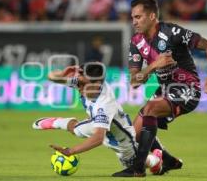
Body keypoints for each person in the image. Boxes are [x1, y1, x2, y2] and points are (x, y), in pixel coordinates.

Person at [112, 0, 207, 177]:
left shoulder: (173, 32)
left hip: (187, 87)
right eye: (133, 18)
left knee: (150, 109)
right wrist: (154, 65)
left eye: (138, 17)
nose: (134, 22)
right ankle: (169, 161)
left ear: (152, 16)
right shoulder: (136, 42)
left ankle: (138, 168)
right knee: (136, 134)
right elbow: (135, 81)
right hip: (164, 89)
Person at [32, 62, 163, 174]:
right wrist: (61, 74)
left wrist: (71, 151)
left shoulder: (105, 104)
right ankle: (56, 122)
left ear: (98, 83)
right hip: (101, 125)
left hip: (121, 139)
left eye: (85, 85)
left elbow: (98, 138)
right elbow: (51, 77)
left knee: (134, 165)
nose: (80, 88)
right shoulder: (83, 81)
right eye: (80, 83)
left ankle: (156, 160)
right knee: (76, 130)